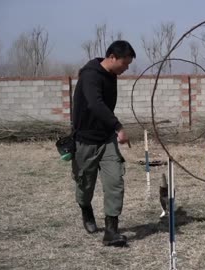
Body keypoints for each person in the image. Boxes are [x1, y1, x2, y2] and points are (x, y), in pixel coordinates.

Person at [71, 40, 136, 247]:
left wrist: (111, 130)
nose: (127, 68)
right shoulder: (90, 75)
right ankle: (85, 208)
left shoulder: (112, 76)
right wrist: (118, 127)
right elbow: (95, 104)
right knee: (85, 184)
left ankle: (111, 232)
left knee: (115, 181)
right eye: (125, 63)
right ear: (112, 57)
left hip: (107, 139)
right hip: (85, 140)